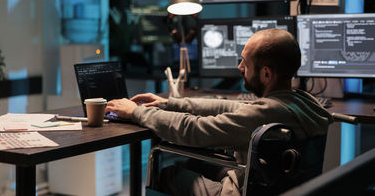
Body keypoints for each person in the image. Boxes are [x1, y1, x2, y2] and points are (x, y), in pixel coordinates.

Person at [105, 28, 333, 196]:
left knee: (169, 175)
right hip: (271, 185)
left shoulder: (266, 113)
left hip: (243, 191)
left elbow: (194, 131)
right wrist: (170, 104)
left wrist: (136, 113)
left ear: (266, 74)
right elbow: (231, 107)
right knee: (194, 165)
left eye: (245, 62)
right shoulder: (301, 103)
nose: (239, 67)